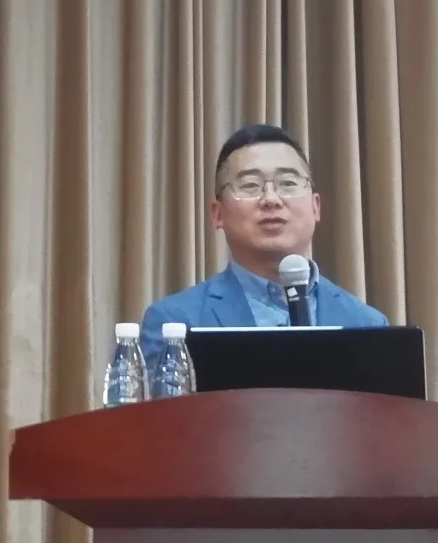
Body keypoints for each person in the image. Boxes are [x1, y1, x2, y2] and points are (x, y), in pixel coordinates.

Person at [140, 123, 388, 367]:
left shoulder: (367, 324)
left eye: (288, 183)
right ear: (218, 214)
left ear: (316, 207)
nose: (271, 199)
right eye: (250, 185)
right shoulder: (174, 323)